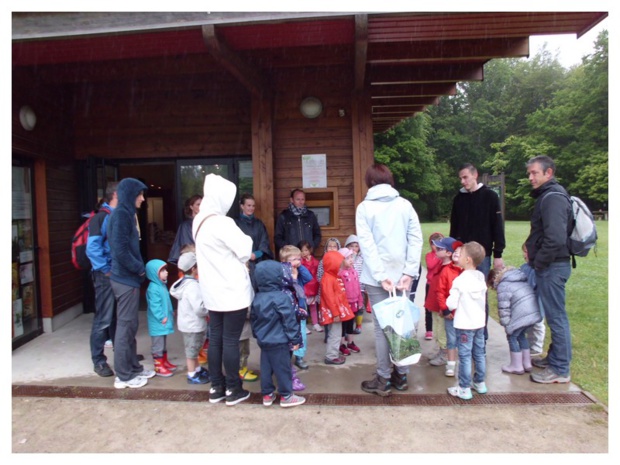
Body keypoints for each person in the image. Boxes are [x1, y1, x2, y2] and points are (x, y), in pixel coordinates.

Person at [356, 163, 423, 396]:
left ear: (370, 182)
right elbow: (416, 239)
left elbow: (367, 245)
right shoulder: (405, 205)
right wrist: (408, 273)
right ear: (389, 180)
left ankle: (383, 378)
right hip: (402, 275)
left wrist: (381, 276)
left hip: (377, 279)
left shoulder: (364, 208)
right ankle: (401, 376)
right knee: (400, 323)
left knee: (381, 329)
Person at [193, 173, 254, 405]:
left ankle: (216, 387)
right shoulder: (222, 223)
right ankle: (233, 389)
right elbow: (245, 249)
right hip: (232, 291)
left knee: (216, 338)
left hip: (211, 290)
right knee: (231, 340)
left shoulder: (198, 222)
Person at [524, 155, 573, 384]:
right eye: (529, 174)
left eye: (534, 173)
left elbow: (555, 238)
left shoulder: (552, 198)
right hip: (550, 265)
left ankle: (560, 369)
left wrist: (539, 262)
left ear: (549, 173)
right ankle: (554, 358)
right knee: (554, 316)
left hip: (553, 267)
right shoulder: (548, 196)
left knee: (556, 317)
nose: (530, 177)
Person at [108, 177, 156, 389]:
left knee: (131, 325)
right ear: (130, 195)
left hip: (129, 279)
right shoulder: (120, 216)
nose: (143, 199)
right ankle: (123, 375)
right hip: (125, 279)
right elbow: (119, 250)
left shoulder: (127, 214)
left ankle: (133, 367)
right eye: (140, 194)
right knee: (125, 326)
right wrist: (139, 269)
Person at [449, 163, 506, 338]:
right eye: (460, 178)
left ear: (475, 175)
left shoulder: (489, 196)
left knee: (480, 294)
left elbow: (497, 226)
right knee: (460, 291)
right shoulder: (459, 199)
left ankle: (482, 334)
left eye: (465, 177)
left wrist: (498, 254)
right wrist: (453, 250)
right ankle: (464, 330)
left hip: (483, 255)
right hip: (462, 253)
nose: (463, 181)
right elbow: (454, 226)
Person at [250, 260, 306, 408]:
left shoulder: (257, 297)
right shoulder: (281, 298)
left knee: (266, 368)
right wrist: (295, 340)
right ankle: (286, 396)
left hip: (264, 340)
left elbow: (254, 320)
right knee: (283, 368)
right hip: (279, 341)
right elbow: (289, 321)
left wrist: (257, 335)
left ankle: (267, 395)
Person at [446, 241, 488, 400]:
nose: (458, 256)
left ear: (468, 259)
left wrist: (450, 300)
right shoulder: (480, 277)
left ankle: (464, 387)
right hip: (479, 323)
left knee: (464, 355)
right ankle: (480, 382)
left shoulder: (460, 280)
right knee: (479, 353)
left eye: (461, 254)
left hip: (464, 324)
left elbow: (451, 304)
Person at [86, 181, 119, 377]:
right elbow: (93, 248)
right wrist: (106, 270)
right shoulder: (101, 218)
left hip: (113, 273)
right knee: (104, 318)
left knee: (115, 316)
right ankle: (98, 361)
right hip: (105, 275)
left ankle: (121, 353)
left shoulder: (113, 216)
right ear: (116, 194)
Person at [488, 265, 542, 375]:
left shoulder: (503, 285)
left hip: (521, 314)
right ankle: (526, 363)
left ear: (494, 279)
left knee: (512, 337)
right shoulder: (519, 278)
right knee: (521, 336)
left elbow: (504, 308)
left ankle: (516, 366)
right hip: (531, 312)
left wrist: (506, 324)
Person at [170, 251, 211, 385]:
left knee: (194, 348)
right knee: (191, 351)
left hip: (187, 323)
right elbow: (199, 308)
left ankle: (197, 369)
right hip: (193, 324)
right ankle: (192, 374)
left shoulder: (183, 283)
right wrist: (208, 310)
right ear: (193, 268)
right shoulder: (192, 286)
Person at [425, 236, 463, 377]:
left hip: (441, 308)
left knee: (442, 332)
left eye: (439, 248)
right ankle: (441, 351)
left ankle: (445, 354)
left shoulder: (450, 270)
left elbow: (447, 291)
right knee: (437, 329)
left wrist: (444, 307)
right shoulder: (441, 265)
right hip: (435, 305)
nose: (435, 249)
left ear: (448, 253)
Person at [279, 245, 313, 373]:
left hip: (301, 308)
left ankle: (299, 357)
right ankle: (287, 358)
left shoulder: (300, 272)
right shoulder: (281, 273)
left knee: (301, 334)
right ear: (284, 261)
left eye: (299, 259)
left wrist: (300, 267)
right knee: (288, 333)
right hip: (287, 310)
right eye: (294, 259)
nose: (297, 262)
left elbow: (309, 278)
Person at [319, 250, 355, 366]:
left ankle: (333, 354)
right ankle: (331, 356)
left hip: (335, 312)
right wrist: (335, 313)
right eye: (338, 265)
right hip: (333, 314)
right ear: (332, 265)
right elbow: (329, 298)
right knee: (335, 334)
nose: (340, 267)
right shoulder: (328, 279)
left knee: (336, 333)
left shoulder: (333, 276)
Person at [145, 259, 176, 377]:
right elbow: (155, 305)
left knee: (163, 342)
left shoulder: (161, 286)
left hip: (163, 320)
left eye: (166, 270)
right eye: (162, 270)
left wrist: (170, 312)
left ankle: (164, 361)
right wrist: (161, 317)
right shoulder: (153, 288)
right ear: (154, 273)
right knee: (158, 344)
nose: (166, 272)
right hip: (158, 322)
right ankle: (158, 366)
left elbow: (166, 302)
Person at [274, 188, 322, 256]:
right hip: (291, 256)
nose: (301, 202)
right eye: (298, 199)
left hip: (307, 255)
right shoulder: (284, 216)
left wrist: (311, 246)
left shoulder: (310, 215)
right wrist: (287, 249)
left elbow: (317, 234)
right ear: (291, 200)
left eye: (302, 199)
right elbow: (278, 238)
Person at [520, 243, 545, 356]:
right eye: (524, 252)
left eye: (527, 252)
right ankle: (530, 344)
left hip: (536, 301)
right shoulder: (524, 267)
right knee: (529, 325)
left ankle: (537, 346)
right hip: (526, 301)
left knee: (537, 324)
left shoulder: (538, 270)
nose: (524, 255)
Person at [337, 247, 363, 356]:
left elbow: (357, 286)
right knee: (344, 324)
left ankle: (350, 342)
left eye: (351, 257)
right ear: (341, 260)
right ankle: (342, 344)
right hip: (345, 303)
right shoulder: (340, 274)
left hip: (354, 302)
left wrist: (360, 300)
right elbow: (339, 291)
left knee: (351, 323)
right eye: (348, 258)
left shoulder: (354, 272)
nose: (351, 260)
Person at [168, 194, 202, 265]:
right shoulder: (185, 226)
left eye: (202, 204)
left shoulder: (206, 223)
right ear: (191, 207)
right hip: (191, 262)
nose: (201, 206)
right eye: (198, 204)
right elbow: (186, 246)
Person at [423, 232, 444, 341]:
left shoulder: (445, 255)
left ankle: (440, 329)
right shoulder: (429, 255)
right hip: (430, 284)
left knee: (440, 306)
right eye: (433, 244)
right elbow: (431, 265)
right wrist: (437, 255)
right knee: (428, 307)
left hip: (441, 284)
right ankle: (429, 330)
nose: (435, 247)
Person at [344, 234, 366, 334]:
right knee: (350, 307)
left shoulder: (362, 258)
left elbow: (365, 271)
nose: (354, 248)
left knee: (360, 307)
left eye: (356, 246)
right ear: (347, 247)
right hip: (349, 288)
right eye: (351, 246)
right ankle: (350, 325)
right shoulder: (345, 258)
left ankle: (359, 325)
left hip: (360, 286)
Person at [299, 240, 321, 333]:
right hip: (304, 287)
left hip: (313, 286)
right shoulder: (299, 262)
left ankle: (315, 323)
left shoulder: (315, 261)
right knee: (303, 308)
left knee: (313, 306)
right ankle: (303, 325)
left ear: (310, 250)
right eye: (302, 250)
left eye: (306, 250)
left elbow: (316, 269)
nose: (304, 253)